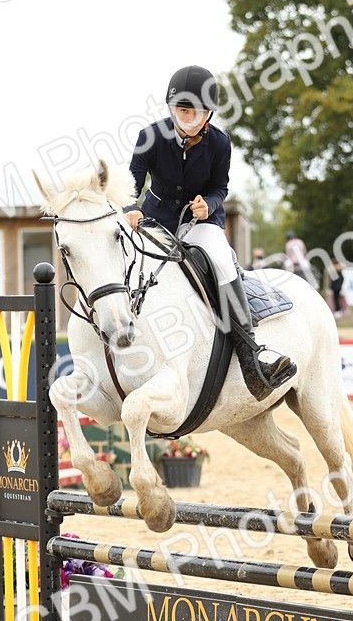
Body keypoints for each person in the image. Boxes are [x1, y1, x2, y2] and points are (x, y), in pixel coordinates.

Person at [125, 65, 297, 401]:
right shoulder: (151, 135)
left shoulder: (220, 143)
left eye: (196, 111)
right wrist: (131, 206)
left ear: (209, 113)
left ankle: (250, 355)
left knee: (220, 259)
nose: (188, 117)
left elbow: (221, 187)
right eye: (182, 110)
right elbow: (134, 178)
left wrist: (210, 205)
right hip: (155, 219)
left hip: (200, 222)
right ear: (172, 108)